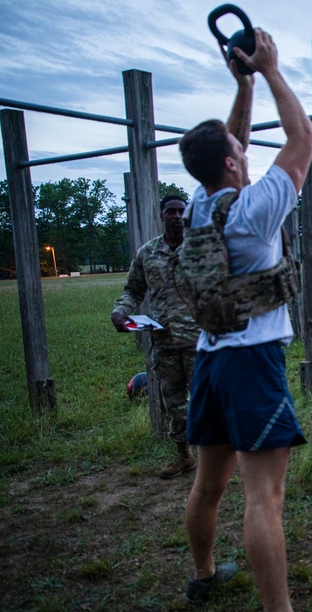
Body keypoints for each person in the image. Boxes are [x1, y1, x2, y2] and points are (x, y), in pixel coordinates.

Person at [177, 29, 312, 612]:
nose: (243, 151)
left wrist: (241, 86)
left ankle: (202, 576)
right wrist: (272, 72)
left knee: (208, 484)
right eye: (236, 150)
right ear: (230, 163)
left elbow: (235, 143)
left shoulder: (201, 208)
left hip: (209, 362)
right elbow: (304, 140)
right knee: (263, 497)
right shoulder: (255, 209)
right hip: (252, 364)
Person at [111, 195, 199, 479]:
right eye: (170, 211)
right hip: (165, 343)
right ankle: (184, 457)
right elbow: (133, 290)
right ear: (161, 215)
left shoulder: (202, 250)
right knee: (173, 403)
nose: (175, 216)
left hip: (201, 343)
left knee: (209, 402)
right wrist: (120, 312)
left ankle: (216, 460)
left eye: (180, 211)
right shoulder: (148, 254)